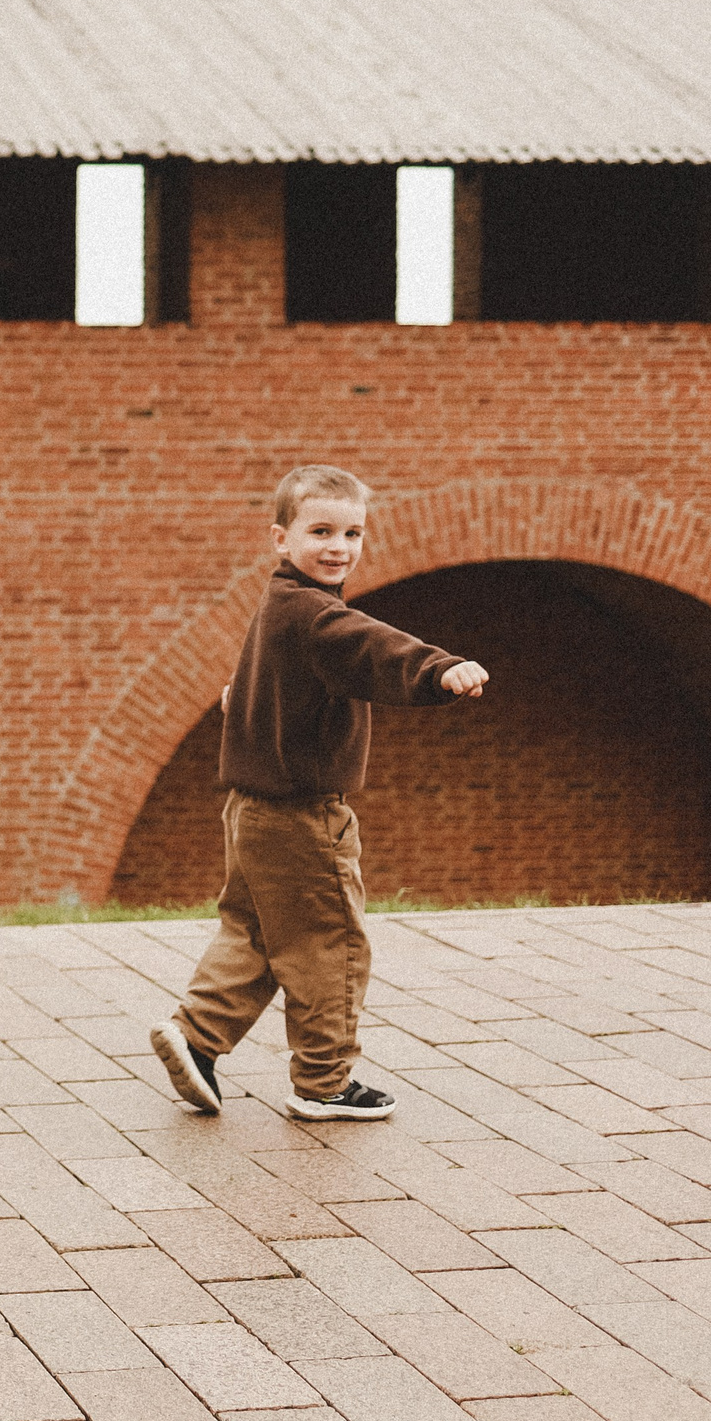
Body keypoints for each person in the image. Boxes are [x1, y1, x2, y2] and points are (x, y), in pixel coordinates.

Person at [150, 464, 488, 1124]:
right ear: (281, 538)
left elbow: (248, 686)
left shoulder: (277, 605)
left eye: (352, 532)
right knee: (330, 943)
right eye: (320, 531)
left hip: (250, 811)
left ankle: (196, 1037)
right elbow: (373, 648)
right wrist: (438, 668)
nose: (338, 546)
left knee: (253, 933)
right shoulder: (316, 615)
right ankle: (324, 1080)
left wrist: (242, 702)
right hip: (304, 817)